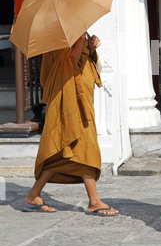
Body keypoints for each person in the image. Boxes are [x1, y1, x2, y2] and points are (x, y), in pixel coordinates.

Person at [22, 33, 118, 215]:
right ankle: (94, 201)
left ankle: (34, 194)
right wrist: (80, 40)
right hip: (67, 102)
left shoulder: (77, 31)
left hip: (81, 100)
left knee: (67, 151)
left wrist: (91, 48)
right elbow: (66, 66)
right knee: (79, 147)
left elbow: (92, 67)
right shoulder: (57, 37)